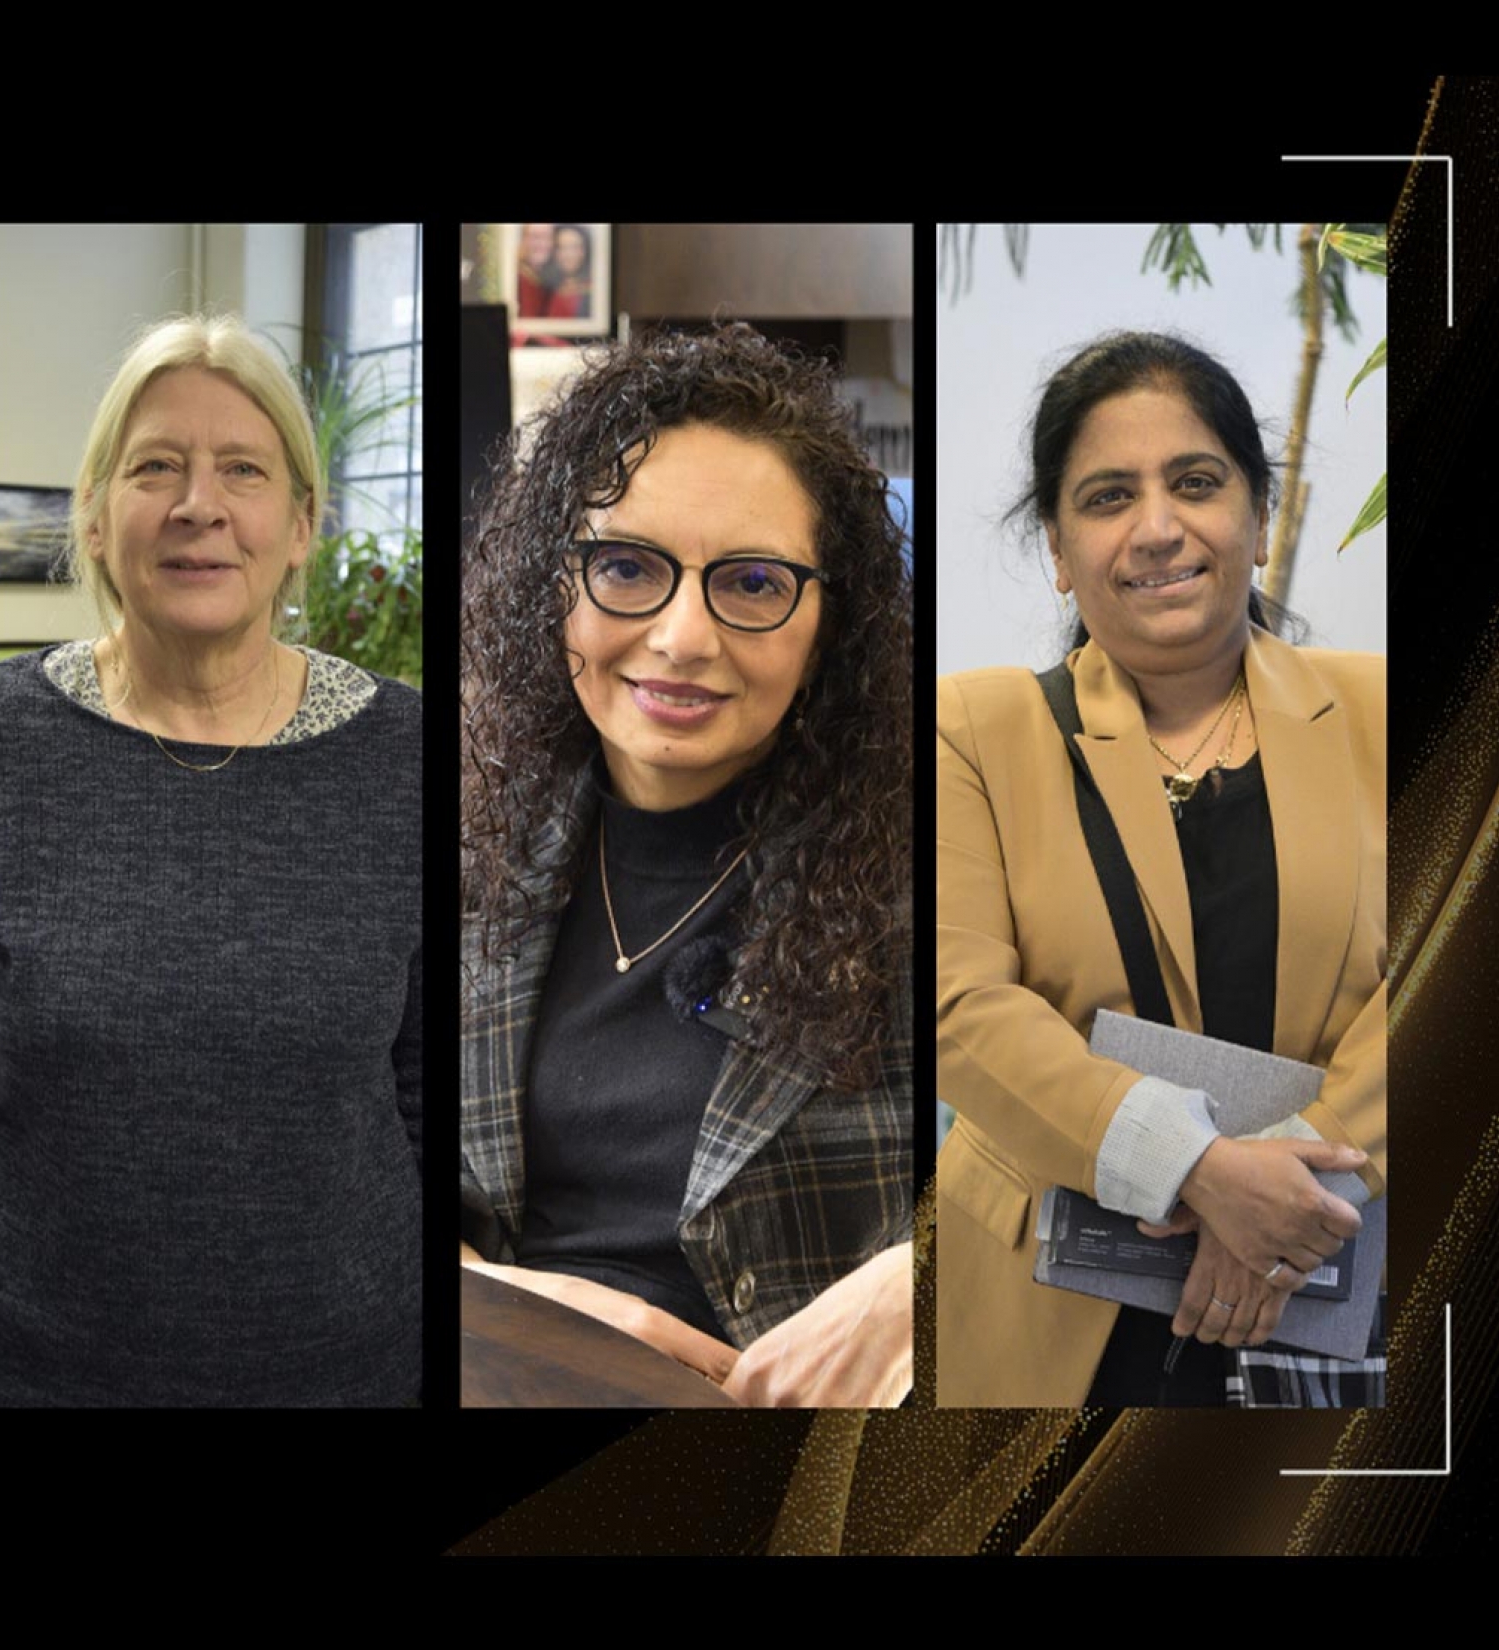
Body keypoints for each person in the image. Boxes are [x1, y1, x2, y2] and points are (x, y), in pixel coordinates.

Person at [460, 322, 915, 1407]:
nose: (680, 636)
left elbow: (1095, 1166)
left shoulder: (930, 856)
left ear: (827, 625)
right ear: (549, 584)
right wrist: (542, 1310)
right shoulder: (473, 854)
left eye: (751, 583)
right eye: (625, 566)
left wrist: (921, 1284)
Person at [936, 331, 1385, 1408]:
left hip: (1332, 1274)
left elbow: (1455, 967)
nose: (1156, 528)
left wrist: (1280, 1195)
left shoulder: (1386, 710)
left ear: (1260, 514)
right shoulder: (972, 729)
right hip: (1043, 1307)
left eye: (1194, 482)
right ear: (1055, 546)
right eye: (1105, 497)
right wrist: (1196, 1170)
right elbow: (956, 1007)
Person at [0, 313, 423, 1406]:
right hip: (45, 1374)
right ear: (91, 518)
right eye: (155, 468)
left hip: (350, 1375)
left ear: (301, 525)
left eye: (242, 469)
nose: (199, 506)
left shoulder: (412, 755)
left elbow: (426, 1096)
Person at [541, 225, 593, 322]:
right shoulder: (548, 288)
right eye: (561, 247)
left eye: (575, 247)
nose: (568, 254)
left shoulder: (592, 291)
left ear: (585, 251)